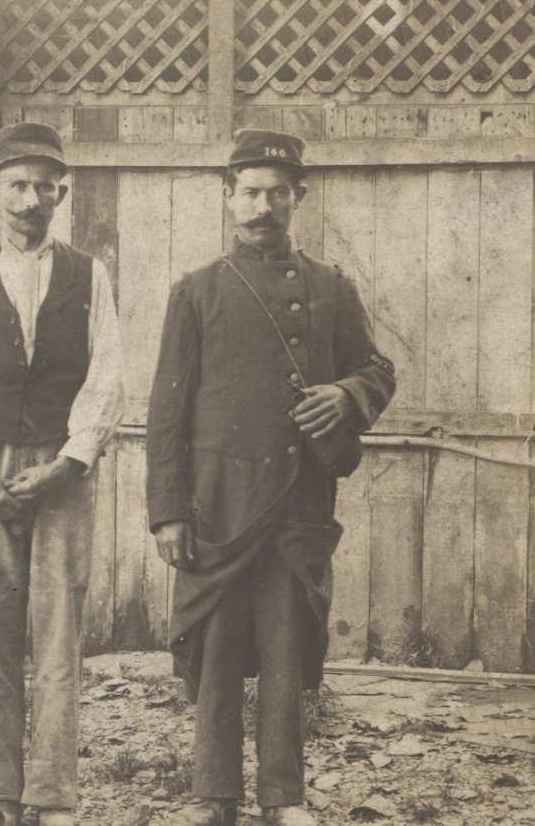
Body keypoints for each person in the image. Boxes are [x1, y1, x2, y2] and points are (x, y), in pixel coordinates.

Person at [146, 130, 396, 826]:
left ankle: (283, 797)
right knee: (218, 650)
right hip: (218, 504)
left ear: (298, 199)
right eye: (250, 192)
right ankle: (213, 794)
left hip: (296, 502)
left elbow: (377, 368)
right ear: (229, 197)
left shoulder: (330, 285)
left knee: (286, 649)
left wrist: (345, 394)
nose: (263, 206)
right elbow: (167, 409)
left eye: (277, 193)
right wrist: (168, 509)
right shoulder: (196, 290)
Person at [0, 122, 125, 826]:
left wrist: (68, 463)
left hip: (61, 466)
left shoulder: (88, 274)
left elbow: (107, 377)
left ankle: (52, 794)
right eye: (17, 185)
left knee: (57, 629)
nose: (30, 200)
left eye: (44, 187)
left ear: (61, 196)